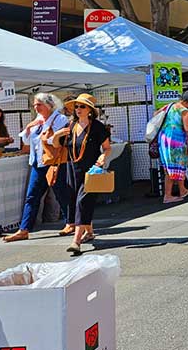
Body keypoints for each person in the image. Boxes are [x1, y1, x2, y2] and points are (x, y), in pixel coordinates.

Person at [3, 94, 71, 243]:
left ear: (49, 105)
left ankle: (70, 223)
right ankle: (24, 229)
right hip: (37, 163)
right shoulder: (38, 120)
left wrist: (46, 134)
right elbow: (27, 141)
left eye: (39, 104)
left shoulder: (60, 119)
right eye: (34, 105)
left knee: (61, 193)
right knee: (32, 196)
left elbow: (58, 141)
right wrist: (29, 127)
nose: (36, 107)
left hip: (54, 162)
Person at [55, 94, 112, 256]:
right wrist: (56, 135)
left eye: (82, 106)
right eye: (76, 106)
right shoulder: (71, 125)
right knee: (75, 201)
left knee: (82, 202)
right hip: (72, 169)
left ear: (90, 110)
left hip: (91, 170)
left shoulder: (97, 127)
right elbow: (56, 145)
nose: (78, 109)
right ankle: (90, 232)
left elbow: (107, 148)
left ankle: (76, 241)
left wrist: (103, 157)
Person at [156, 90, 188, 204]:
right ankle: (167, 196)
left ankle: (183, 190)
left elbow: (156, 114)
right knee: (172, 167)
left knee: (177, 165)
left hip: (164, 138)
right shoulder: (184, 111)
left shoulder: (170, 105)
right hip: (175, 141)